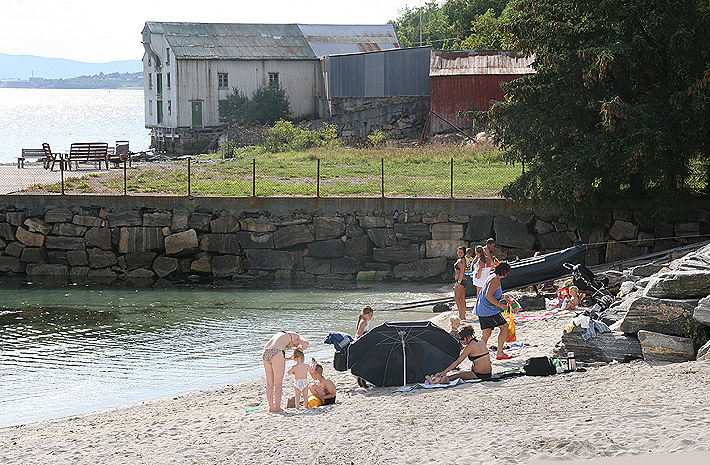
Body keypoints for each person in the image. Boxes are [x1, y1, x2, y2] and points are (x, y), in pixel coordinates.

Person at [426, 324, 492, 383]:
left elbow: (457, 362)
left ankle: (433, 381)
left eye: (462, 339)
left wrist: (444, 372)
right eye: (460, 340)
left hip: (478, 374)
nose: (461, 342)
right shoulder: (481, 342)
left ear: (468, 336)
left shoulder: (469, 347)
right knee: (461, 373)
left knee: (454, 376)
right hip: (488, 373)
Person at [262, 331, 309, 413]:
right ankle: (277, 408)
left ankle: (271, 407)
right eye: (297, 344)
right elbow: (306, 343)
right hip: (277, 352)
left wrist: (290, 358)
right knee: (278, 383)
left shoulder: (281, 335)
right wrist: (301, 349)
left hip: (266, 352)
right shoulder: (297, 335)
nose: (296, 346)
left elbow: (278, 358)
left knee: (269, 383)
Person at [474, 261, 513, 360]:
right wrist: (501, 306)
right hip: (488, 310)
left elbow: (491, 293)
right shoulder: (495, 280)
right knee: (504, 327)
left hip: (481, 309)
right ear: (504, 272)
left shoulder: (492, 277)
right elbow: (488, 295)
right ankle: (499, 353)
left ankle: (479, 355)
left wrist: (504, 296)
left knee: (486, 332)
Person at [453, 246, 467, 320]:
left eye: (461, 252)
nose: (459, 253)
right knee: (462, 299)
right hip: (462, 281)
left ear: (464, 253)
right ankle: (463, 316)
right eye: (458, 252)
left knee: (456, 298)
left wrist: (459, 282)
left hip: (460, 281)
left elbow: (462, 272)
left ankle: (461, 315)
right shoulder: (462, 260)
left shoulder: (461, 261)